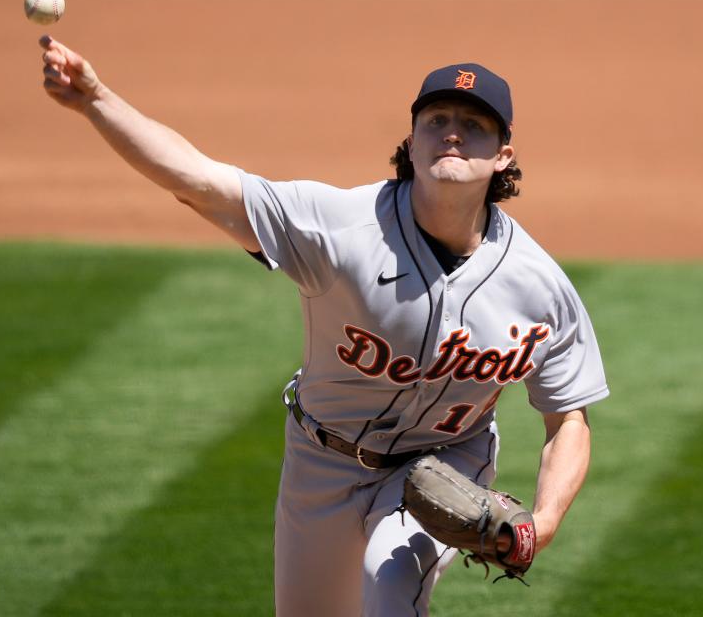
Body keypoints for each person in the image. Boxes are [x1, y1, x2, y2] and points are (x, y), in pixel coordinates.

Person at [39, 35, 609, 616]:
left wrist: (543, 523)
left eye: (475, 124)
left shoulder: (540, 287)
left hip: (443, 467)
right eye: (437, 119)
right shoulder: (339, 228)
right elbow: (198, 182)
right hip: (322, 462)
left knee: (389, 590)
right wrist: (96, 100)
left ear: (503, 156)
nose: (454, 132)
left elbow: (569, 417)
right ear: (411, 142)